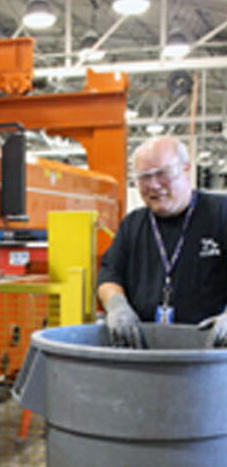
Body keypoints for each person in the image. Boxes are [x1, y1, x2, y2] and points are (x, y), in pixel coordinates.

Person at [97, 135, 227, 348]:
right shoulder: (132, 224)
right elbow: (109, 274)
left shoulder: (221, 213)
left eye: (162, 174)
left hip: (210, 357)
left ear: (186, 169)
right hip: (146, 355)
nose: (154, 185)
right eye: (144, 177)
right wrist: (116, 305)